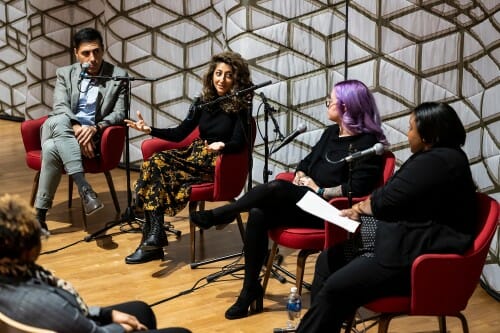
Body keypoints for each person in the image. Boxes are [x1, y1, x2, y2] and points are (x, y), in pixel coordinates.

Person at [190, 79, 388, 319]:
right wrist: (301, 175)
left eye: (331, 101)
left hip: (335, 214)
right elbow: (305, 163)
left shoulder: (368, 145)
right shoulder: (330, 133)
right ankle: (249, 288)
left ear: (346, 106)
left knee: (276, 187)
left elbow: (357, 189)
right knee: (258, 213)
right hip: (308, 205)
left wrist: (317, 189)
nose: (327, 104)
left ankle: (224, 213)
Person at [295, 102, 478, 333]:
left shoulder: (438, 162)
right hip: (398, 238)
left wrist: (360, 208)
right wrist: (365, 208)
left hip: (415, 257)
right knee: (328, 260)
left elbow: (387, 200)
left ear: (429, 134)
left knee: (336, 287)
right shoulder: (433, 156)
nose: (408, 133)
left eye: (412, 128)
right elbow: (389, 193)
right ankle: (320, 325)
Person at [124, 51, 253, 264]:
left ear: (236, 79)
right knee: (155, 164)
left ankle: (152, 237)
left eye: (228, 75)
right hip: (193, 155)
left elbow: (240, 143)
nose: (221, 79)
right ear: (212, 75)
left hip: (215, 161)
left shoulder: (241, 108)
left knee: (154, 167)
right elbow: (180, 133)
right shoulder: (203, 102)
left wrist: (222, 146)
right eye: (218, 73)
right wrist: (150, 130)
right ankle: (154, 237)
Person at [0, 194, 192, 333]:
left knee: (141, 310)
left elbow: (71, 317)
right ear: (28, 250)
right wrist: (121, 327)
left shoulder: (12, 277)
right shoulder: (44, 301)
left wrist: (105, 314)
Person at [34, 27, 128, 236]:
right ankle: (84, 187)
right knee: (59, 121)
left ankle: (39, 216)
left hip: (90, 136)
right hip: (61, 126)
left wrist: (95, 128)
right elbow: (59, 106)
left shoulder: (118, 76)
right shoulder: (65, 73)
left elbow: (121, 113)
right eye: (86, 53)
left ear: (103, 50)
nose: (92, 58)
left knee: (51, 148)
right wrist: (77, 128)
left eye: (96, 51)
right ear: (76, 53)